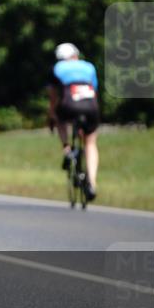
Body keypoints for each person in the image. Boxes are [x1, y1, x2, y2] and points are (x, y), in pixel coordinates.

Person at [48, 42, 101, 201]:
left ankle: (67, 148)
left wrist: (51, 114)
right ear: (76, 55)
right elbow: (95, 91)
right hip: (91, 107)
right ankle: (92, 182)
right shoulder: (89, 67)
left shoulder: (56, 69)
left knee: (59, 118)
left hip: (68, 106)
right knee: (90, 143)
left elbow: (53, 96)